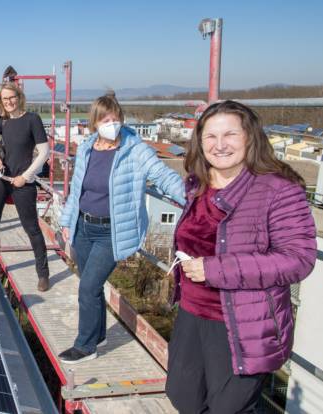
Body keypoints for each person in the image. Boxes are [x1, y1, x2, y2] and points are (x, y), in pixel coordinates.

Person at [165, 100, 316, 413]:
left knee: (229, 408)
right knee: (183, 398)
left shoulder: (278, 189)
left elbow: (299, 258)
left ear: (250, 137)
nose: (220, 145)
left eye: (230, 135)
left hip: (244, 323)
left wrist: (216, 269)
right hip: (192, 313)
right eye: (210, 136)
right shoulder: (196, 184)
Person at [58, 92, 185, 364]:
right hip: (83, 226)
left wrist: (193, 199)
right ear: (94, 123)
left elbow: (163, 176)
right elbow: (76, 189)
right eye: (105, 119)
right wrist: (67, 222)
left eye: (116, 119)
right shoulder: (87, 147)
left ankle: (85, 346)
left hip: (112, 233)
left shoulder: (134, 149)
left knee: (88, 287)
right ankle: (99, 334)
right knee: (91, 285)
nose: (111, 124)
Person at [0, 83, 50, 291]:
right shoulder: (2, 120)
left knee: (32, 228)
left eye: (12, 98)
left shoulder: (32, 119)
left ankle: (43, 274)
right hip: (1, 178)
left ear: (19, 97)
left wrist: (25, 177)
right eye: (4, 99)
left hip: (22, 181)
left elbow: (44, 152)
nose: (9, 102)